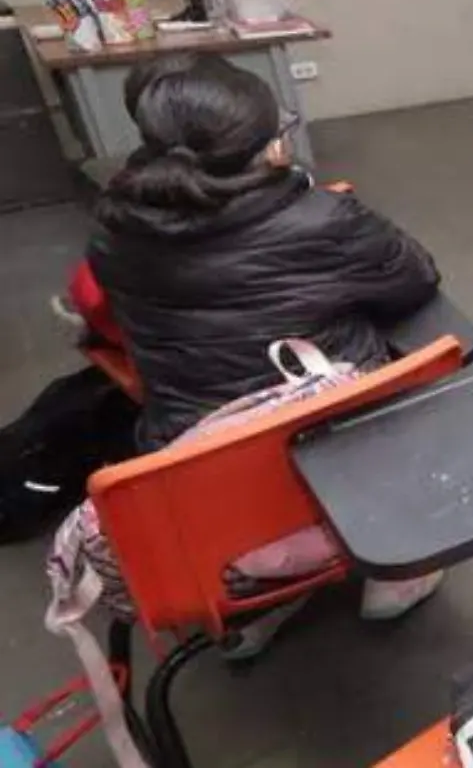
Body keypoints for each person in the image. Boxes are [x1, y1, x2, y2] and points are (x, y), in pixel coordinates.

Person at [88, 56, 444, 645]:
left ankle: (255, 603)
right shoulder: (323, 220)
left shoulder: (114, 230)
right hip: (344, 465)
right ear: (267, 150)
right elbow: (416, 277)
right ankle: (396, 569)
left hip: (201, 491)